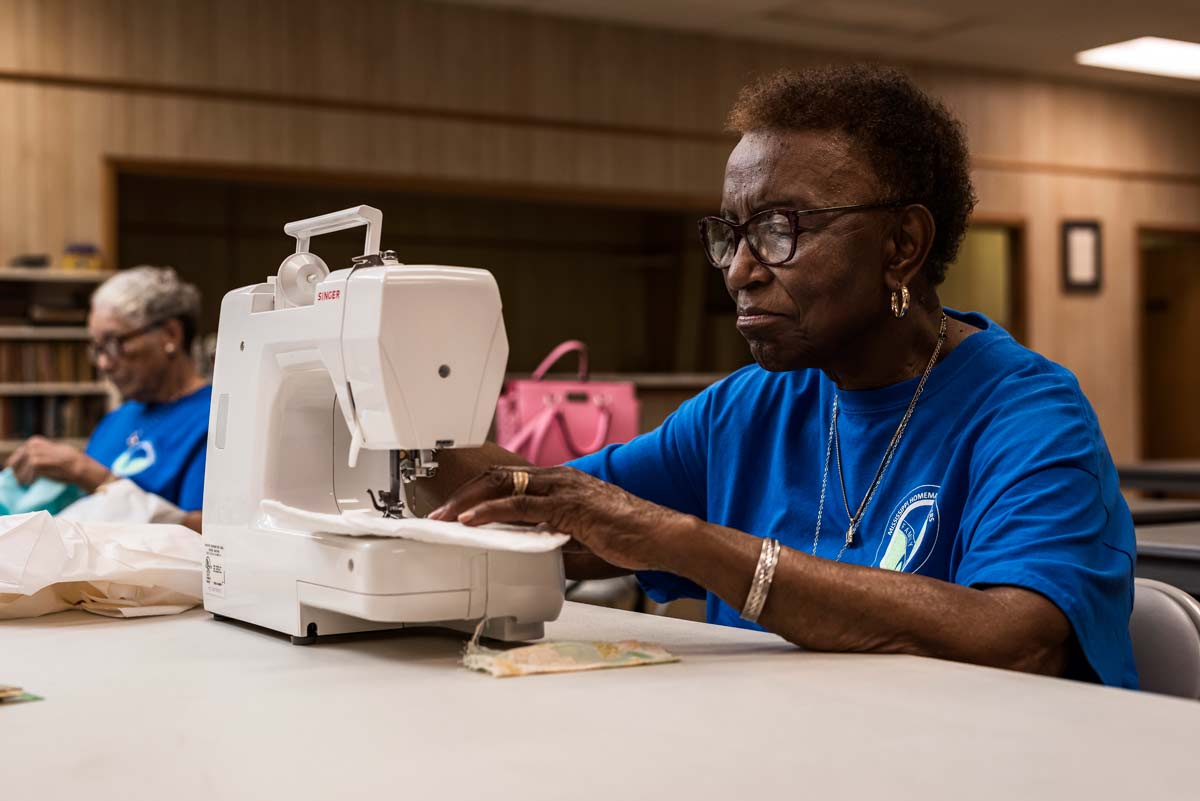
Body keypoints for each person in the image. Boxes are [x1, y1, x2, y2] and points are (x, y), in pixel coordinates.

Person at [424, 65, 1137, 688]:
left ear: (903, 245)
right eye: (731, 232)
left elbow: (1017, 640)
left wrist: (689, 541)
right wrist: (396, 420)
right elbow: (546, 519)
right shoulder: (745, 410)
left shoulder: (1028, 415)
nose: (739, 268)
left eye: (780, 227)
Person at [5, 267, 211, 532]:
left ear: (171, 334)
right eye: (97, 348)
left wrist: (85, 471)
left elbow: (209, 535)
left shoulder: (212, 420)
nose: (103, 363)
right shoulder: (118, 419)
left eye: (114, 343)